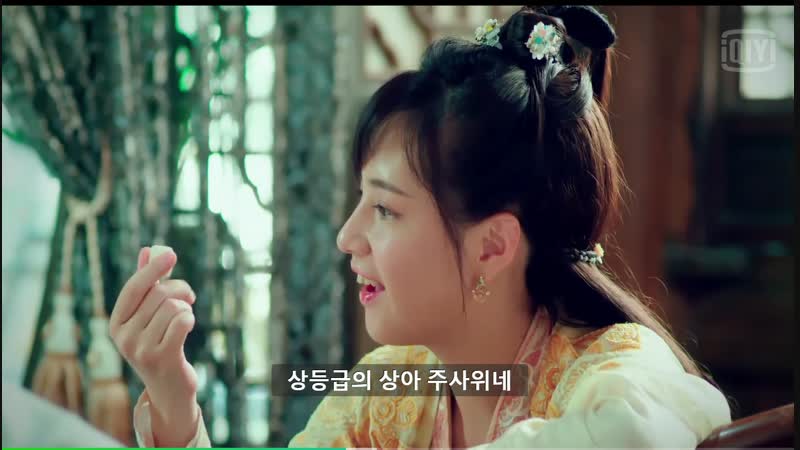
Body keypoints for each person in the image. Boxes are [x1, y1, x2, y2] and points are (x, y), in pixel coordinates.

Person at [109, 5, 732, 448]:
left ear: (493, 246)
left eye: (384, 209)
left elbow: (644, 433)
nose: (347, 238)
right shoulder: (390, 388)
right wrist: (173, 400)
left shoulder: (616, 371)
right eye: (362, 200)